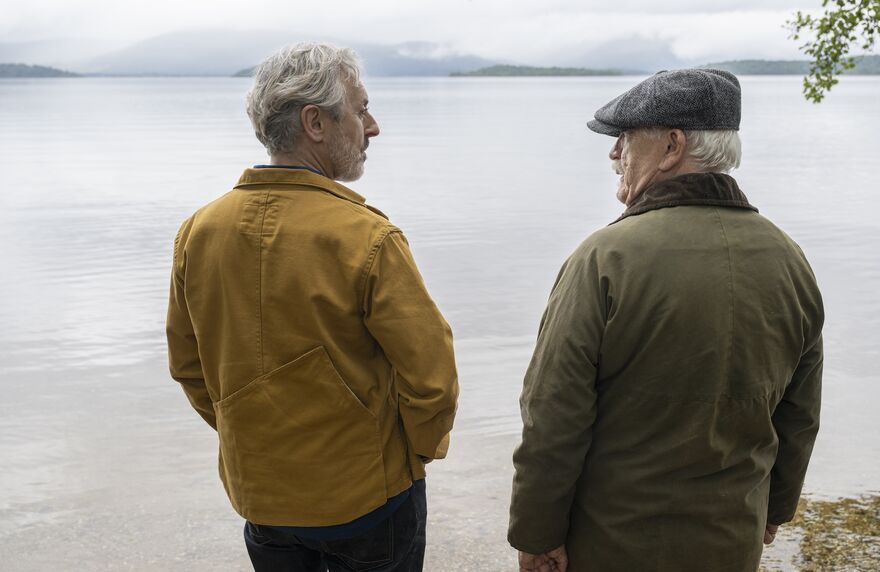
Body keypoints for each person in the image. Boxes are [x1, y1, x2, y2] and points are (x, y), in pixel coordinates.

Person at [508, 69, 823, 572]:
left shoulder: (604, 258)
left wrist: (537, 533)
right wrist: (775, 508)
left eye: (626, 139)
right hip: (732, 541)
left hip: (612, 544)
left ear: (673, 145)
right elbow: (799, 415)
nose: (614, 154)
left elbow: (553, 414)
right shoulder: (790, 260)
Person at [166, 43, 459, 572]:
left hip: (262, 500)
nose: (372, 127)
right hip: (368, 500)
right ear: (315, 123)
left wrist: (250, 435)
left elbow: (189, 369)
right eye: (361, 109)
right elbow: (432, 379)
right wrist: (408, 460)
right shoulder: (365, 237)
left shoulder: (199, 231)